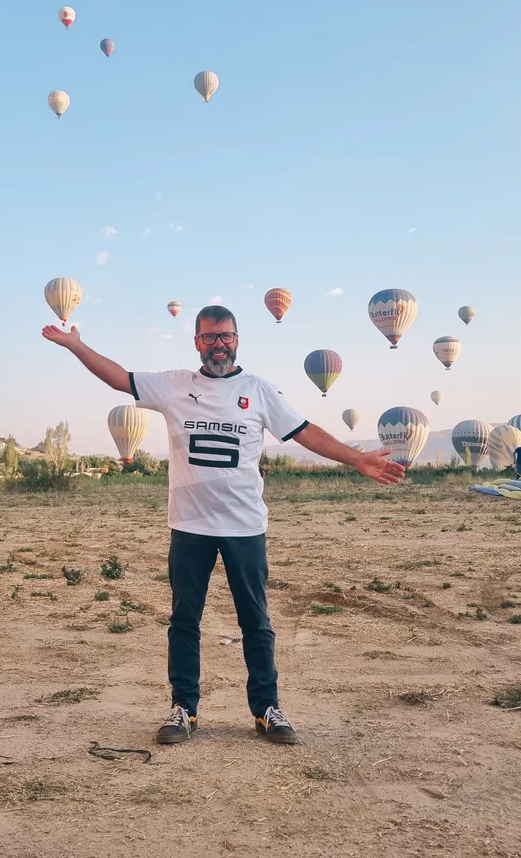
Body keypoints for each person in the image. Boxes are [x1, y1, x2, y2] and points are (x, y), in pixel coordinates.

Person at [42, 305, 405, 746]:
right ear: (197, 341)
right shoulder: (175, 385)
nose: (219, 344)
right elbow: (120, 378)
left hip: (244, 526)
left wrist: (355, 458)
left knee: (256, 620)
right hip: (190, 525)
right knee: (184, 620)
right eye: (210, 337)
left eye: (226, 336)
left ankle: (267, 709)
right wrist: (77, 345)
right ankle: (184, 708)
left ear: (237, 339)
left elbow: (305, 432)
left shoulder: (258, 390)